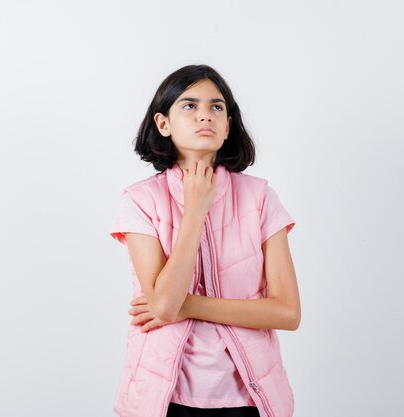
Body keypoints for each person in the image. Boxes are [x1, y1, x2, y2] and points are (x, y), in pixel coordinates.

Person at [109, 64, 299, 417]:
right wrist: (195, 211)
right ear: (162, 124)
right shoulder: (139, 200)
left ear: (228, 126)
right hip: (165, 401)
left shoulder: (260, 198)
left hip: (248, 399)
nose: (205, 116)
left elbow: (287, 312)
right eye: (189, 105)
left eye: (216, 107)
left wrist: (189, 305)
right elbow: (164, 305)